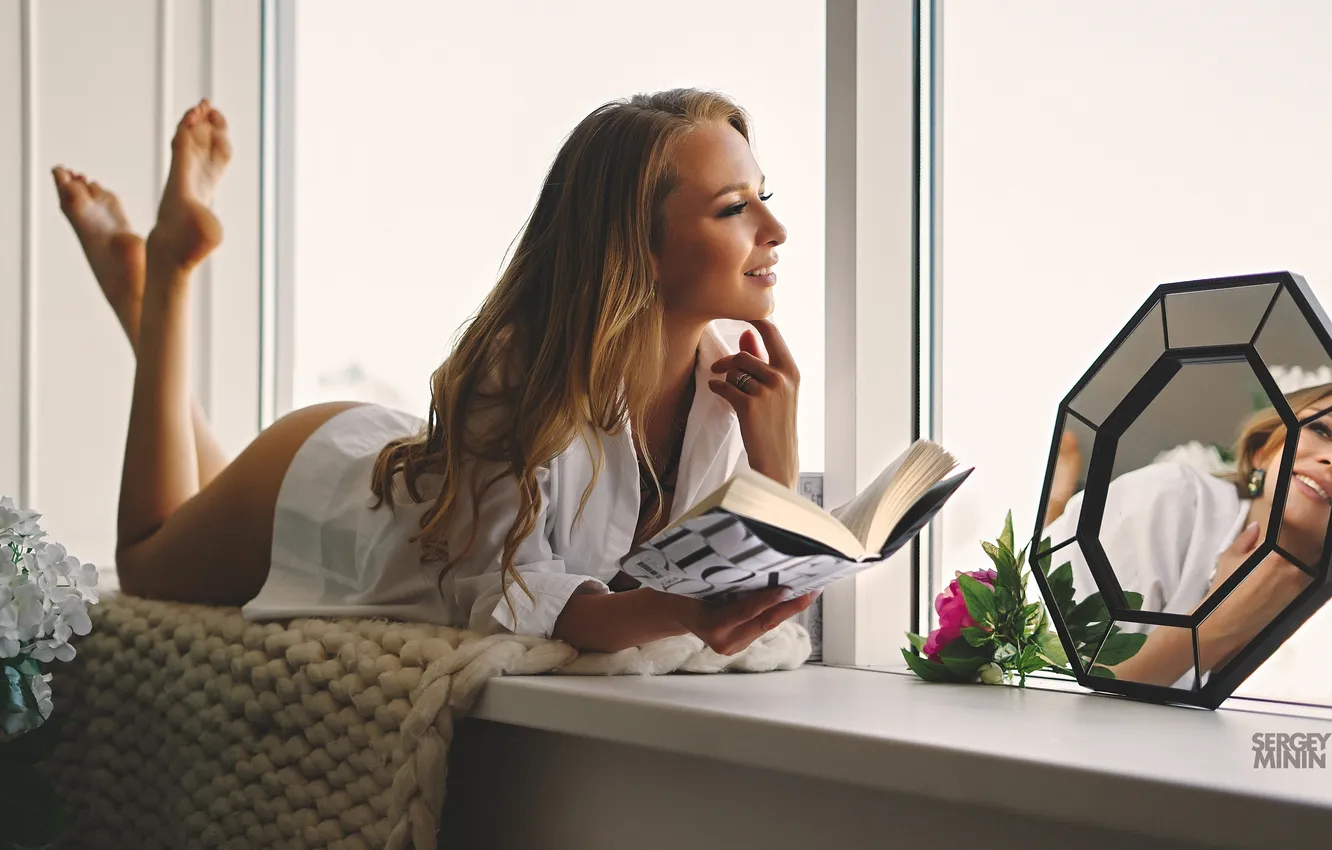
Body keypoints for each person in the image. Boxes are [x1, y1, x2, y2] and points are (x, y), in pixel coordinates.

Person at [52, 91, 818, 656]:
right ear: (639, 245)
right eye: (733, 209)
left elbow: (744, 587)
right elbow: (520, 599)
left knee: (196, 503)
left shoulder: (731, 387)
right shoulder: (519, 369)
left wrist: (776, 459)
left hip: (405, 467)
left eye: (766, 199)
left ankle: (140, 290)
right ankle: (162, 278)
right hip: (330, 491)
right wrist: (681, 613)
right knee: (149, 558)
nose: (775, 230)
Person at [1041, 385, 1329, 687]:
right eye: (1320, 430)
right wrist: (1217, 624)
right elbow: (1052, 677)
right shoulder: (1168, 497)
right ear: (1263, 451)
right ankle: (1055, 501)